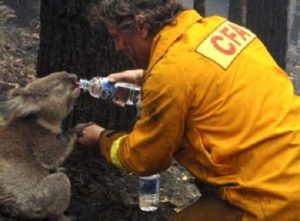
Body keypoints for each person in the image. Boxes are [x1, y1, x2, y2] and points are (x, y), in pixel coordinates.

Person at [78, 0, 300, 220]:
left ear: (142, 27)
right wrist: (147, 78)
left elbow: (144, 158)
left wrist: (101, 138)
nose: (117, 47)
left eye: (118, 37)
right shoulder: (220, 28)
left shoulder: (170, 75)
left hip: (270, 196)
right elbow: (207, 81)